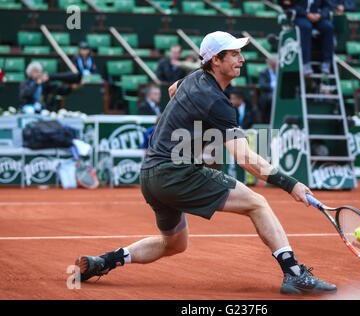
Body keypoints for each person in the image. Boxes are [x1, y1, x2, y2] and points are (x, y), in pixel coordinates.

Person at [75, 31, 337, 295]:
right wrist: (291, 184)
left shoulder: (190, 79)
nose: (241, 59)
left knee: (175, 244)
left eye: (240, 53)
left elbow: (172, 90)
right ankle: (293, 274)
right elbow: (245, 158)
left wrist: (193, 135)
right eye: (234, 54)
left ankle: (104, 261)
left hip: (150, 176)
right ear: (215, 60)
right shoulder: (218, 103)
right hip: (175, 173)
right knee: (258, 203)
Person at [292, 0, 335, 75]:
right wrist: (306, 14)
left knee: (329, 27)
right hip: (301, 17)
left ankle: (326, 62)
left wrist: (320, 15)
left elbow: (326, 6)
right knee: (306, 27)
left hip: (317, 17)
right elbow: (293, 4)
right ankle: (306, 63)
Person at [258, 56, 277, 124]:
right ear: (270, 64)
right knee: (271, 98)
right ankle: (269, 121)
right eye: (274, 64)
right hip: (267, 94)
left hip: (278, 94)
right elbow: (262, 85)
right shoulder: (264, 73)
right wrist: (273, 86)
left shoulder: (279, 72)